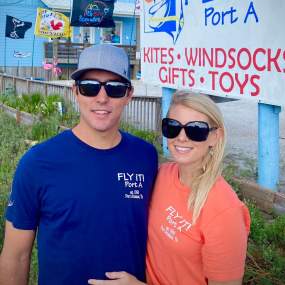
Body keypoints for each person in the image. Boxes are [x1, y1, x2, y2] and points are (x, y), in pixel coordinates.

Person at [0, 44, 158, 285]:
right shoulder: (38, 163)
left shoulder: (145, 157)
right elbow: (16, 257)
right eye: (89, 87)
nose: (102, 98)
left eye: (114, 89)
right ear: (75, 91)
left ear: (128, 95)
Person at [88, 90, 250, 285]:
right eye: (172, 127)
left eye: (196, 130)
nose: (181, 137)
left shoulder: (225, 211)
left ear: (215, 137)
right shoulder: (162, 174)